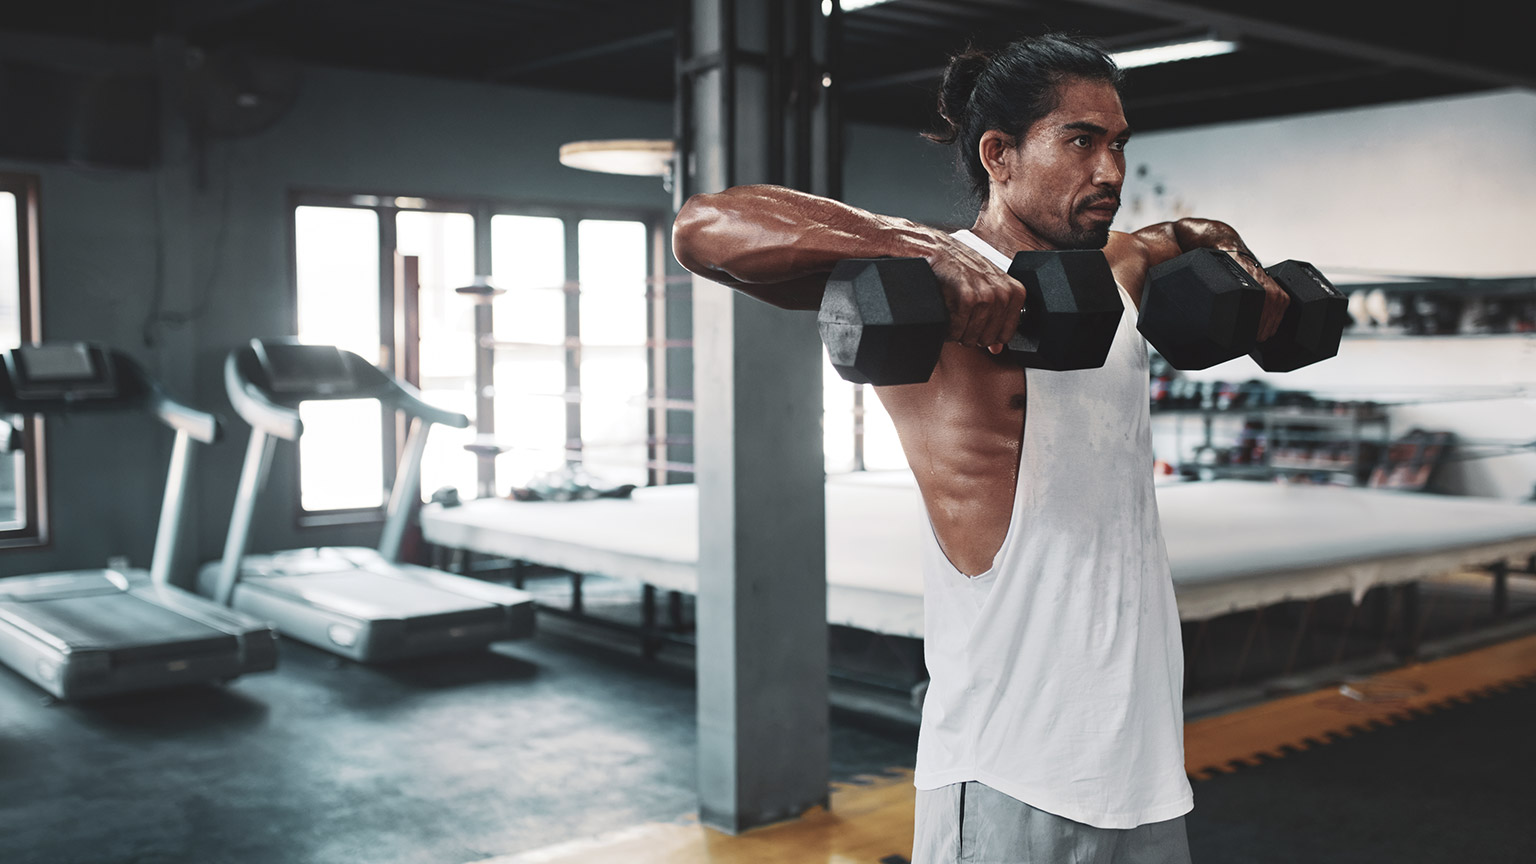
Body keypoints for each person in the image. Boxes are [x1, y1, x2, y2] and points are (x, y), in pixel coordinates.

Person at [672, 32, 1287, 864]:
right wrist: (919, 247)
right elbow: (705, 226)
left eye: (1118, 144)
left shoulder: (1114, 276)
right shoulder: (926, 289)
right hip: (1006, 766)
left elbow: (1171, 237)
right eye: (1079, 141)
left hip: (1143, 767)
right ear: (999, 154)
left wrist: (1227, 250)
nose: (1109, 170)